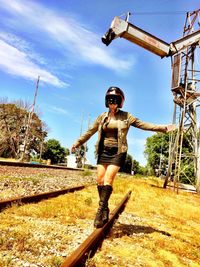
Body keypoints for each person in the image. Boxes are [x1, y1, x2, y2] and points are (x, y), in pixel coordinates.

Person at [71, 86, 175, 228]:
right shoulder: (102, 117)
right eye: (109, 100)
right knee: (100, 180)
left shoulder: (127, 116)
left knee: (108, 179)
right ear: (106, 101)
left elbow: (143, 125)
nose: (112, 103)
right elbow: (90, 132)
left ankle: (99, 212)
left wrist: (163, 128)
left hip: (118, 152)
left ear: (120, 102)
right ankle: (106, 208)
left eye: (115, 100)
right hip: (103, 152)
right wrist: (77, 142)